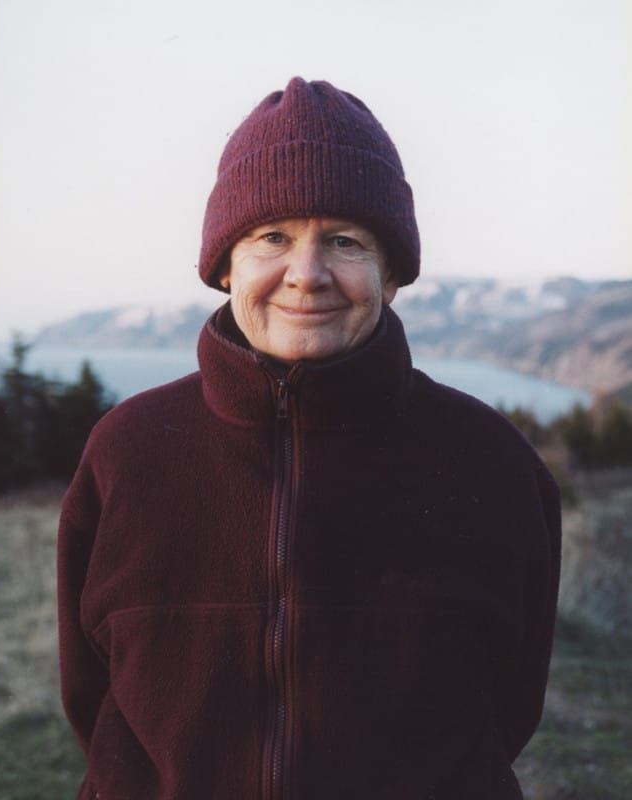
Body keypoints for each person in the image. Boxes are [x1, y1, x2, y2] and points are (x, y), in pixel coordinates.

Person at [57, 77, 561, 800]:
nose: (307, 274)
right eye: (272, 238)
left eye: (345, 241)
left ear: (390, 276)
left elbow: (509, 708)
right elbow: (92, 701)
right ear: (224, 265)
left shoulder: (490, 462)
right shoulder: (128, 451)